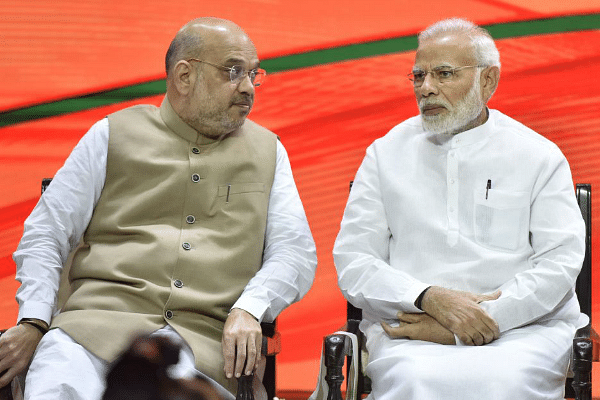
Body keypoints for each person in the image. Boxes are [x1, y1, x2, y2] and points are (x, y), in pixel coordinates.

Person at [0, 17, 317, 400]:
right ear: (185, 75)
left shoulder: (270, 152)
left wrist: (250, 308)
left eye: (253, 74)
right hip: (89, 334)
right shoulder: (112, 134)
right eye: (234, 72)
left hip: (202, 350)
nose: (248, 87)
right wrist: (34, 320)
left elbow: (295, 252)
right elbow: (46, 232)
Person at [333, 18, 587, 399]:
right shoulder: (385, 154)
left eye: (444, 74)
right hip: (412, 328)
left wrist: (476, 322)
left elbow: (559, 263)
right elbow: (354, 261)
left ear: (488, 80)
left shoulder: (538, 156)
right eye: (418, 76)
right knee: (415, 382)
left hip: (523, 331)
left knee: (505, 383)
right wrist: (427, 297)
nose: (427, 88)